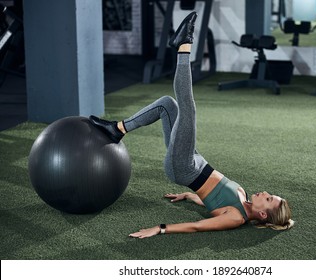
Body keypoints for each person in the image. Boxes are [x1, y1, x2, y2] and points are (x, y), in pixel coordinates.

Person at [89, 11, 294, 239]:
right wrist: (189, 197)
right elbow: (211, 200)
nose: (265, 193)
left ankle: (183, 44)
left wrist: (160, 229)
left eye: (268, 199)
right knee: (168, 105)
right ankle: (118, 128)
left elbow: (198, 226)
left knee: (188, 108)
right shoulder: (242, 195)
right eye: (270, 194)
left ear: (263, 215)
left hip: (184, 167)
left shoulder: (236, 217)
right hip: (191, 157)